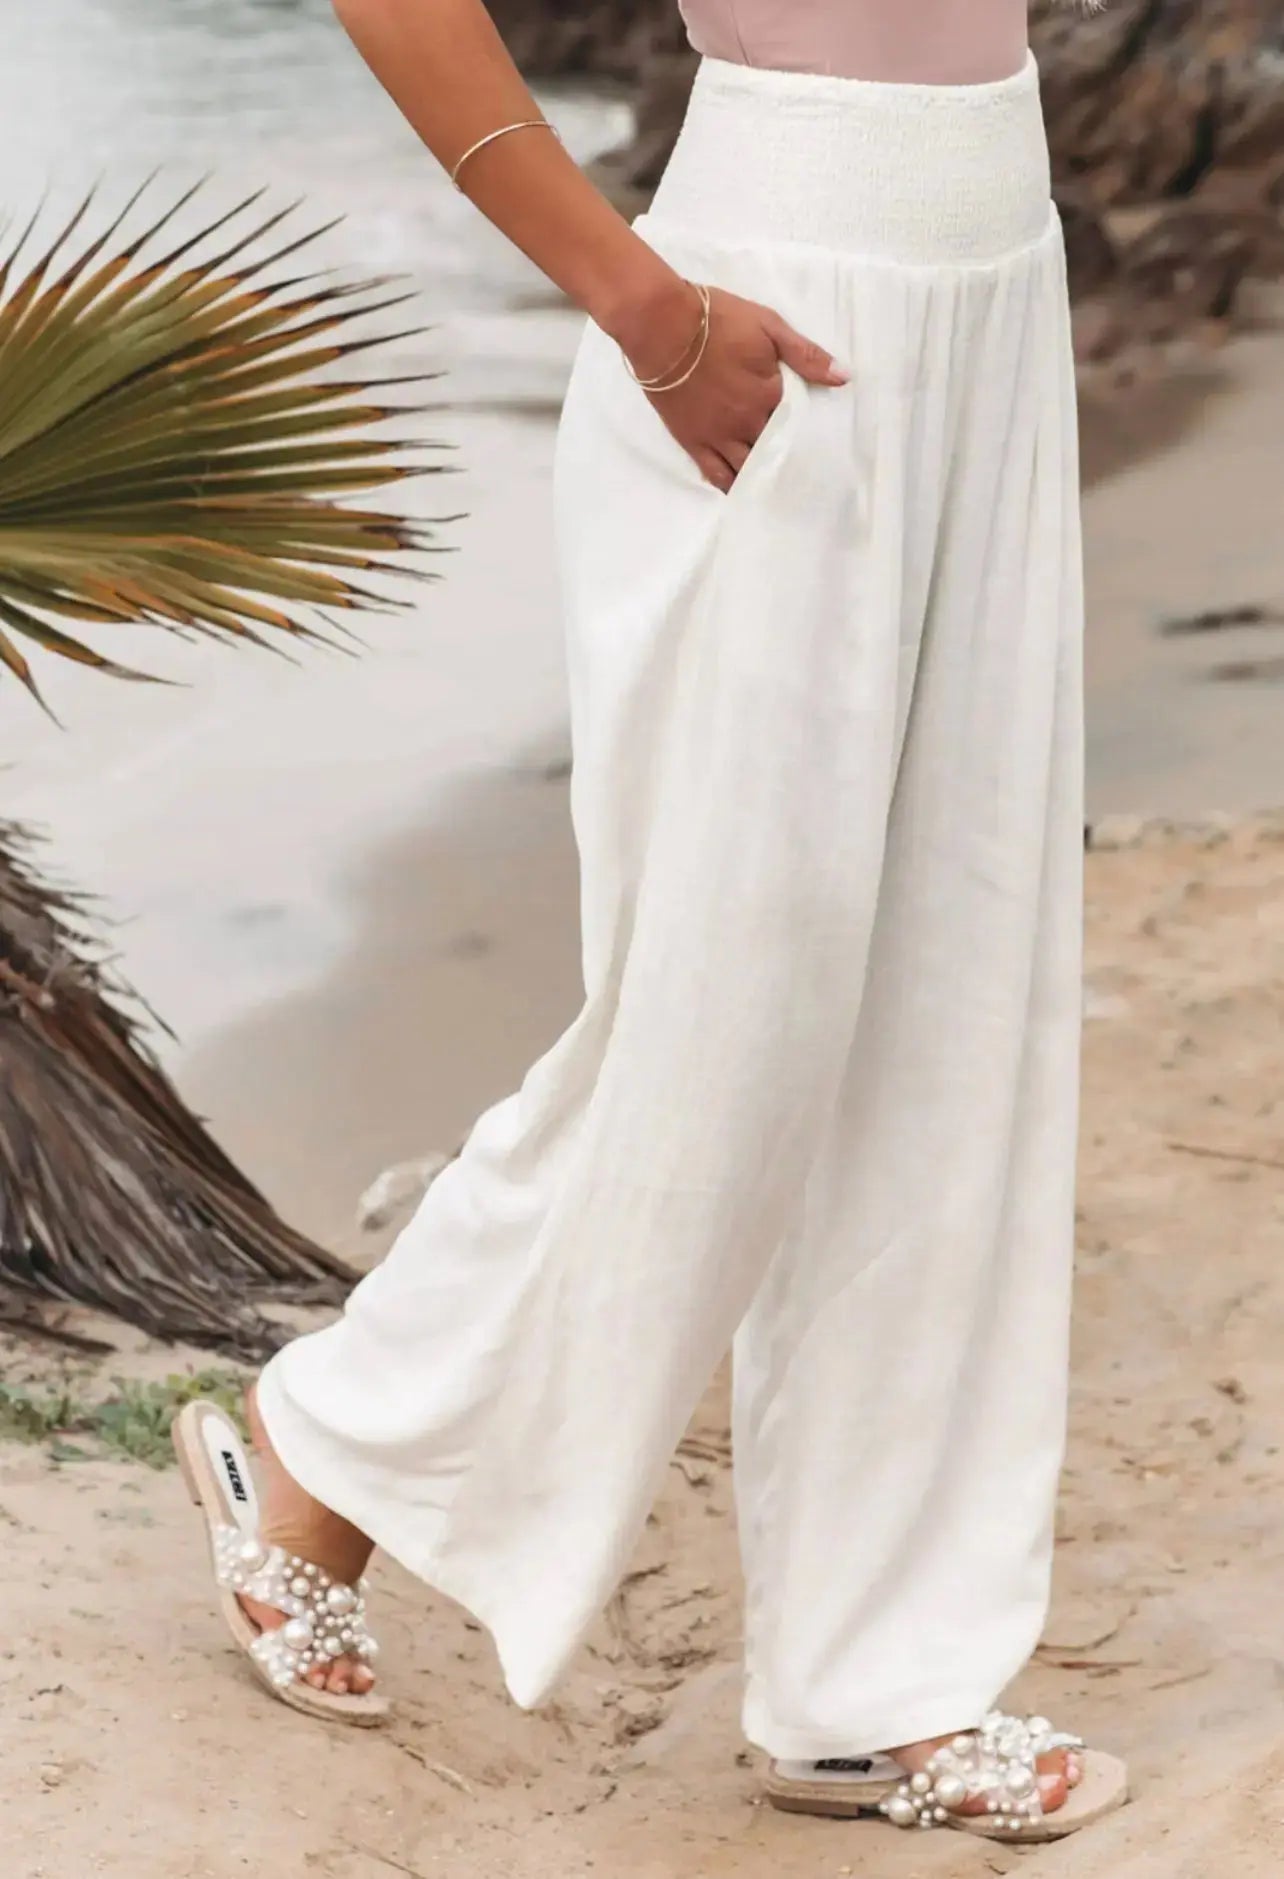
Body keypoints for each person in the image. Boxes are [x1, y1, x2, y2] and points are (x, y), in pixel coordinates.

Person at [175, 0, 1130, 1842]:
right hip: (766, 315)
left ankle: (883, 1688)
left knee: (955, 1006)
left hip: (998, 261)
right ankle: (335, 1443)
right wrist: (642, 307)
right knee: (724, 1018)